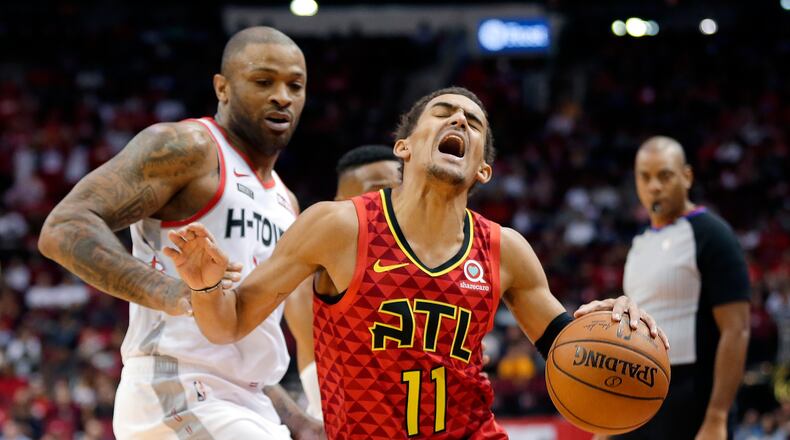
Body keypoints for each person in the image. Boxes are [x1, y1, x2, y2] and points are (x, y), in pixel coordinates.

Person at [165, 87, 669, 439]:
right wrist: (206, 287)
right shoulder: (338, 227)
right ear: (403, 147)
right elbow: (227, 325)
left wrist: (609, 327)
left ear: (483, 169)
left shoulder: (505, 249)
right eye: (445, 112)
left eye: (474, 122)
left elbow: (571, 349)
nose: (459, 122)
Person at [38, 26, 322, 439]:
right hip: (176, 386)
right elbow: (64, 227)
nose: (282, 96)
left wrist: (298, 421)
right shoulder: (187, 147)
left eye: (295, 85)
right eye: (264, 82)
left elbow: (244, 354)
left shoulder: (286, 202)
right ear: (222, 88)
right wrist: (174, 293)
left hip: (250, 404)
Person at [613, 136, 751, 440]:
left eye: (664, 176)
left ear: (686, 177)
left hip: (692, 398)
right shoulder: (639, 242)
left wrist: (717, 416)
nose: (654, 187)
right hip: (637, 394)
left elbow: (737, 330)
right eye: (645, 177)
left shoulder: (713, 234)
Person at [285, 145, 402, 419]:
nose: (391, 200)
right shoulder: (312, 273)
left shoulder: (420, 269)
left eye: (399, 189)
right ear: (339, 203)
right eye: (379, 190)